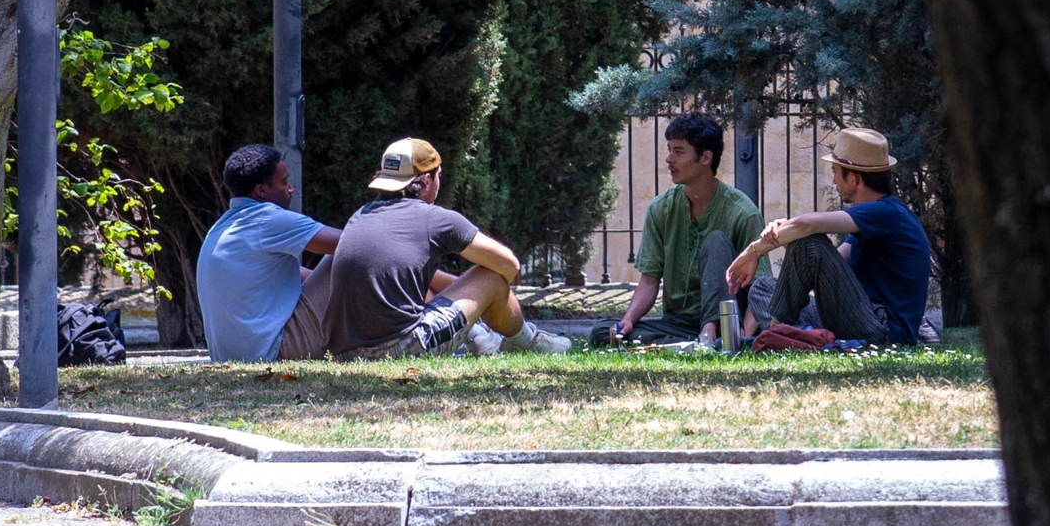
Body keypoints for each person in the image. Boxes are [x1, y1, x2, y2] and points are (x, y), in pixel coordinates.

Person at [323, 137, 571, 359]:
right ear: (428, 179)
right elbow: (510, 265)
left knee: (426, 288)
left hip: (342, 353)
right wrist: (492, 300)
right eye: (438, 174)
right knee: (490, 276)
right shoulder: (434, 219)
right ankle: (527, 341)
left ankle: (480, 337)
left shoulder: (360, 215)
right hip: (398, 350)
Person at [725, 128, 935, 346]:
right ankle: (797, 337)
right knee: (764, 287)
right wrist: (791, 235)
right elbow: (829, 263)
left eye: (835, 171)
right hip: (860, 318)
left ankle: (778, 337)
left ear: (853, 178)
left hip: (883, 330)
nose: (834, 181)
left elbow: (809, 229)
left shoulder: (887, 213)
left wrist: (754, 251)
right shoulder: (874, 218)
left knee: (810, 241)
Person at [596, 112, 769, 346]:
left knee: (717, 241)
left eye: (678, 152)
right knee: (602, 332)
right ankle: (696, 344)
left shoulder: (742, 213)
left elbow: (761, 288)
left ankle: (712, 334)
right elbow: (649, 281)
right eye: (669, 149)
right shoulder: (661, 208)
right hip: (678, 322)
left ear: (706, 157)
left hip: (729, 322)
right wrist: (627, 320)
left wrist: (743, 338)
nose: (669, 159)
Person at [196, 144, 343, 362]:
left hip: (231, 356)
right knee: (344, 255)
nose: (291, 189)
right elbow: (353, 242)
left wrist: (324, 289)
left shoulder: (222, 226)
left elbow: (278, 275)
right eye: (284, 182)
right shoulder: (268, 219)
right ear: (261, 191)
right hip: (275, 351)